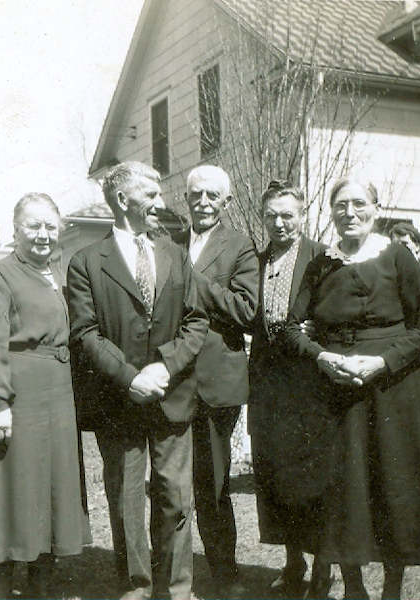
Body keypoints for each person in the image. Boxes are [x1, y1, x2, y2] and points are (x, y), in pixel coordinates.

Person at [284, 177, 420, 600]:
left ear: (376, 208)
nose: (349, 213)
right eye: (340, 205)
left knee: (395, 484)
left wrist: (382, 362)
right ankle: (354, 588)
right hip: (338, 391)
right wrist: (322, 357)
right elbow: (291, 327)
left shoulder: (398, 257)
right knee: (343, 490)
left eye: (358, 204)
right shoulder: (321, 264)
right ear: (331, 211)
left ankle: (392, 589)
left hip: (393, 389)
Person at [67, 161, 208, 600]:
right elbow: (85, 333)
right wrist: (130, 378)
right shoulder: (86, 262)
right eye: (151, 194)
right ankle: (136, 586)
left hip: (172, 394)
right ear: (123, 199)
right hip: (119, 401)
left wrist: (165, 366)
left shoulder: (175, 254)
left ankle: (176, 589)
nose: (160, 202)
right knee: (126, 499)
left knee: (176, 496)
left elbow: (196, 321)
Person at [0, 194, 87, 598]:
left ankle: (42, 587)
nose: (43, 234)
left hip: (57, 396)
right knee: (11, 492)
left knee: (49, 493)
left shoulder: (56, 274)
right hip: (19, 396)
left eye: (50, 227)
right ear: (16, 230)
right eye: (33, 226)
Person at [169, 165, 258, 596]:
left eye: (212, 196)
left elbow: (246, 310)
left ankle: (225, 574)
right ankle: (171, 573)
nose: (203, 203)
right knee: (169, 484)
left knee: (213, 484)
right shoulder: (169, 243)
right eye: (196, 194)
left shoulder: (240, 246)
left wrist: (192, 279)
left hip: (215, 383)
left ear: (226, 201)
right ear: (186, 199)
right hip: (170, 379)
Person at [247, 181, 332, 599]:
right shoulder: (256, 261)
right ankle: (293, 562)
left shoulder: (322, 257)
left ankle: (324, 567)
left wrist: (321, 328)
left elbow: (340, 313)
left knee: (315, 477)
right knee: (279, 477)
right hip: (269, 386)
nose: (279, 223)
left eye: (287, 215)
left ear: (302, 215)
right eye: (271, 216)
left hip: (312, 385)